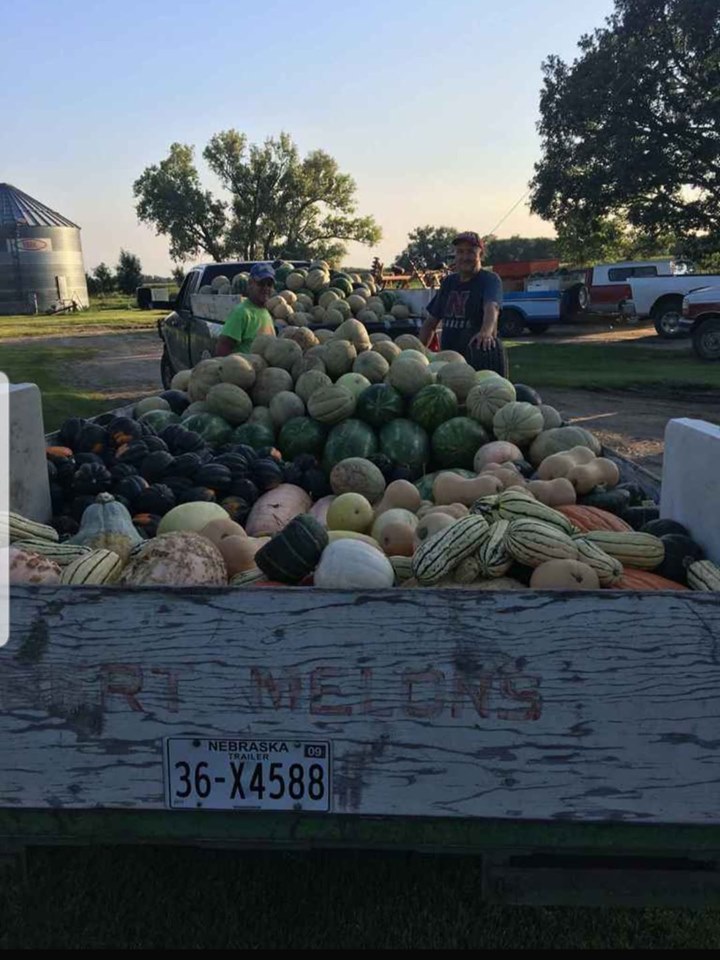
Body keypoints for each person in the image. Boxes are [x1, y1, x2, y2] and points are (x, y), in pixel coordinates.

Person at [418, 232, 503, 365]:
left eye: (470, 252)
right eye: (460, 252)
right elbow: (431, 323)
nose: (465, 257)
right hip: (448, 363)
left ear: (480, 255)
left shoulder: (490, 280)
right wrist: (418, 353)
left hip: (479, 361)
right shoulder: (449, 282)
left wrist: (485, 332)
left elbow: (492, 307)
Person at [215, 263, 277, 357]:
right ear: (250, 284)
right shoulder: (242, 312)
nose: (266, 288)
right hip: (246, 370)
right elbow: (223, 346)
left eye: (269, 284)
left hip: (263, 369)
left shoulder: (265, 311)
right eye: (261, 284)